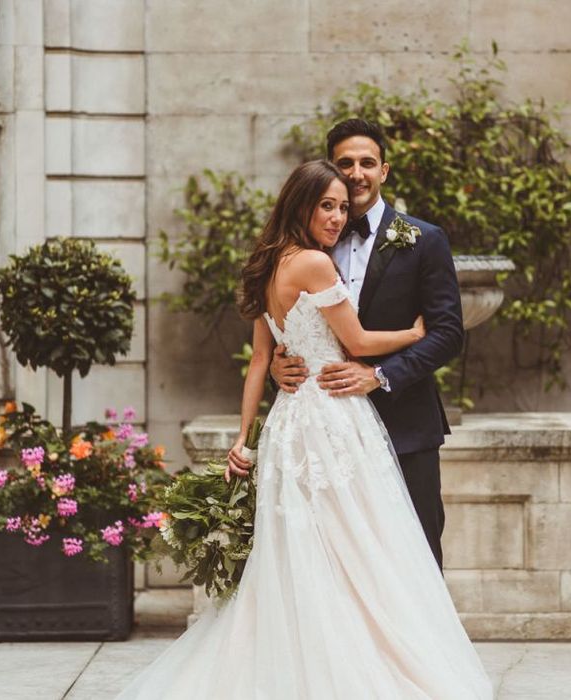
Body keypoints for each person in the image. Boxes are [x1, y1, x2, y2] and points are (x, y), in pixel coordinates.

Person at [117, 160, 492, 699]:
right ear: (301, 204)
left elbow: (258, 360)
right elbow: (357, 343)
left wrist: (244, 437)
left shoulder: (268, 263)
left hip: (289, 424)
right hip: (332, 420)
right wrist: (412, 331)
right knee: (361, 545)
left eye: (343, 206)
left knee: (304, 549)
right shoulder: (316, 263)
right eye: (328, 205)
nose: (339, 216)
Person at [271, 118, 462, 569]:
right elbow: (286, 322)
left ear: (384, 171)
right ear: (331, 170)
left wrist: (379, 375)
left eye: (367, 163)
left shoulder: (425, 240)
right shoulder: (309, 244)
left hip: (405, 427)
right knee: (334, 564)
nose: (357, 173)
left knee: (415, 557)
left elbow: (448, 333)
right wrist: (282, 363)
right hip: (325, 433)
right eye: (346, 163)